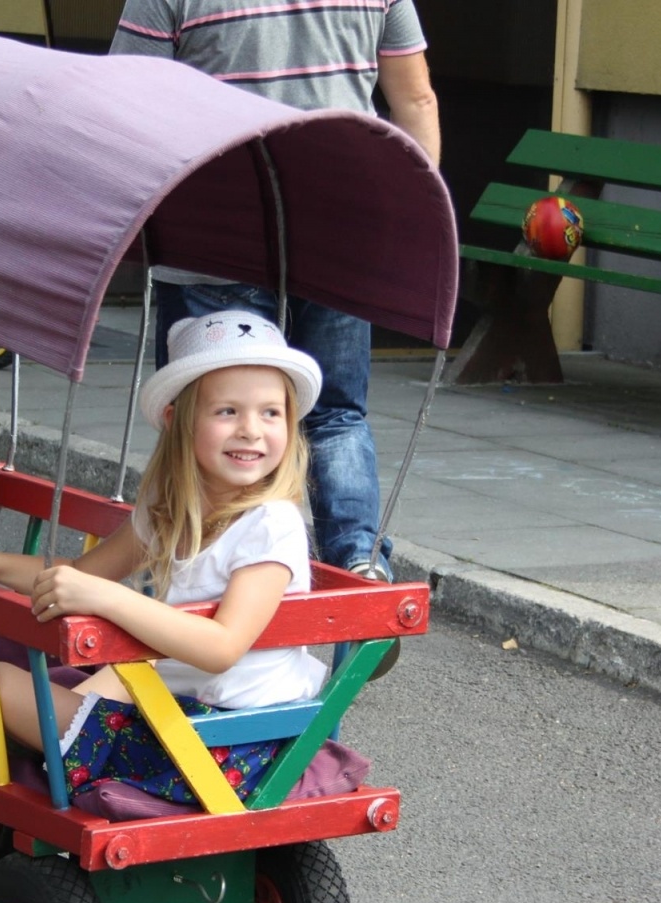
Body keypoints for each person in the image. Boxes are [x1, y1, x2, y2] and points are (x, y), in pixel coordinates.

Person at [0, 312, 326, 805]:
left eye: (270, 413)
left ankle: (37, 743)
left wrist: (107, 599)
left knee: (2, 685)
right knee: (57, 679)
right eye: (227, 412)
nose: (251, 430)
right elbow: (79, 577)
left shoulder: (271, 525)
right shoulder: (171, 514)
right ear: (178, 422)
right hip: (178, 713)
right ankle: (40, 733)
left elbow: (222, 647)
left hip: (229, 747)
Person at [109, 0, 439, 589]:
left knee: (205, 415)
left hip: (213, 237)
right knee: (336, 414)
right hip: (342, 238)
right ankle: (357, 564)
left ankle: (197, 572)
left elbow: (127, 106)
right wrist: (413, 225)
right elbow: (415, 100)